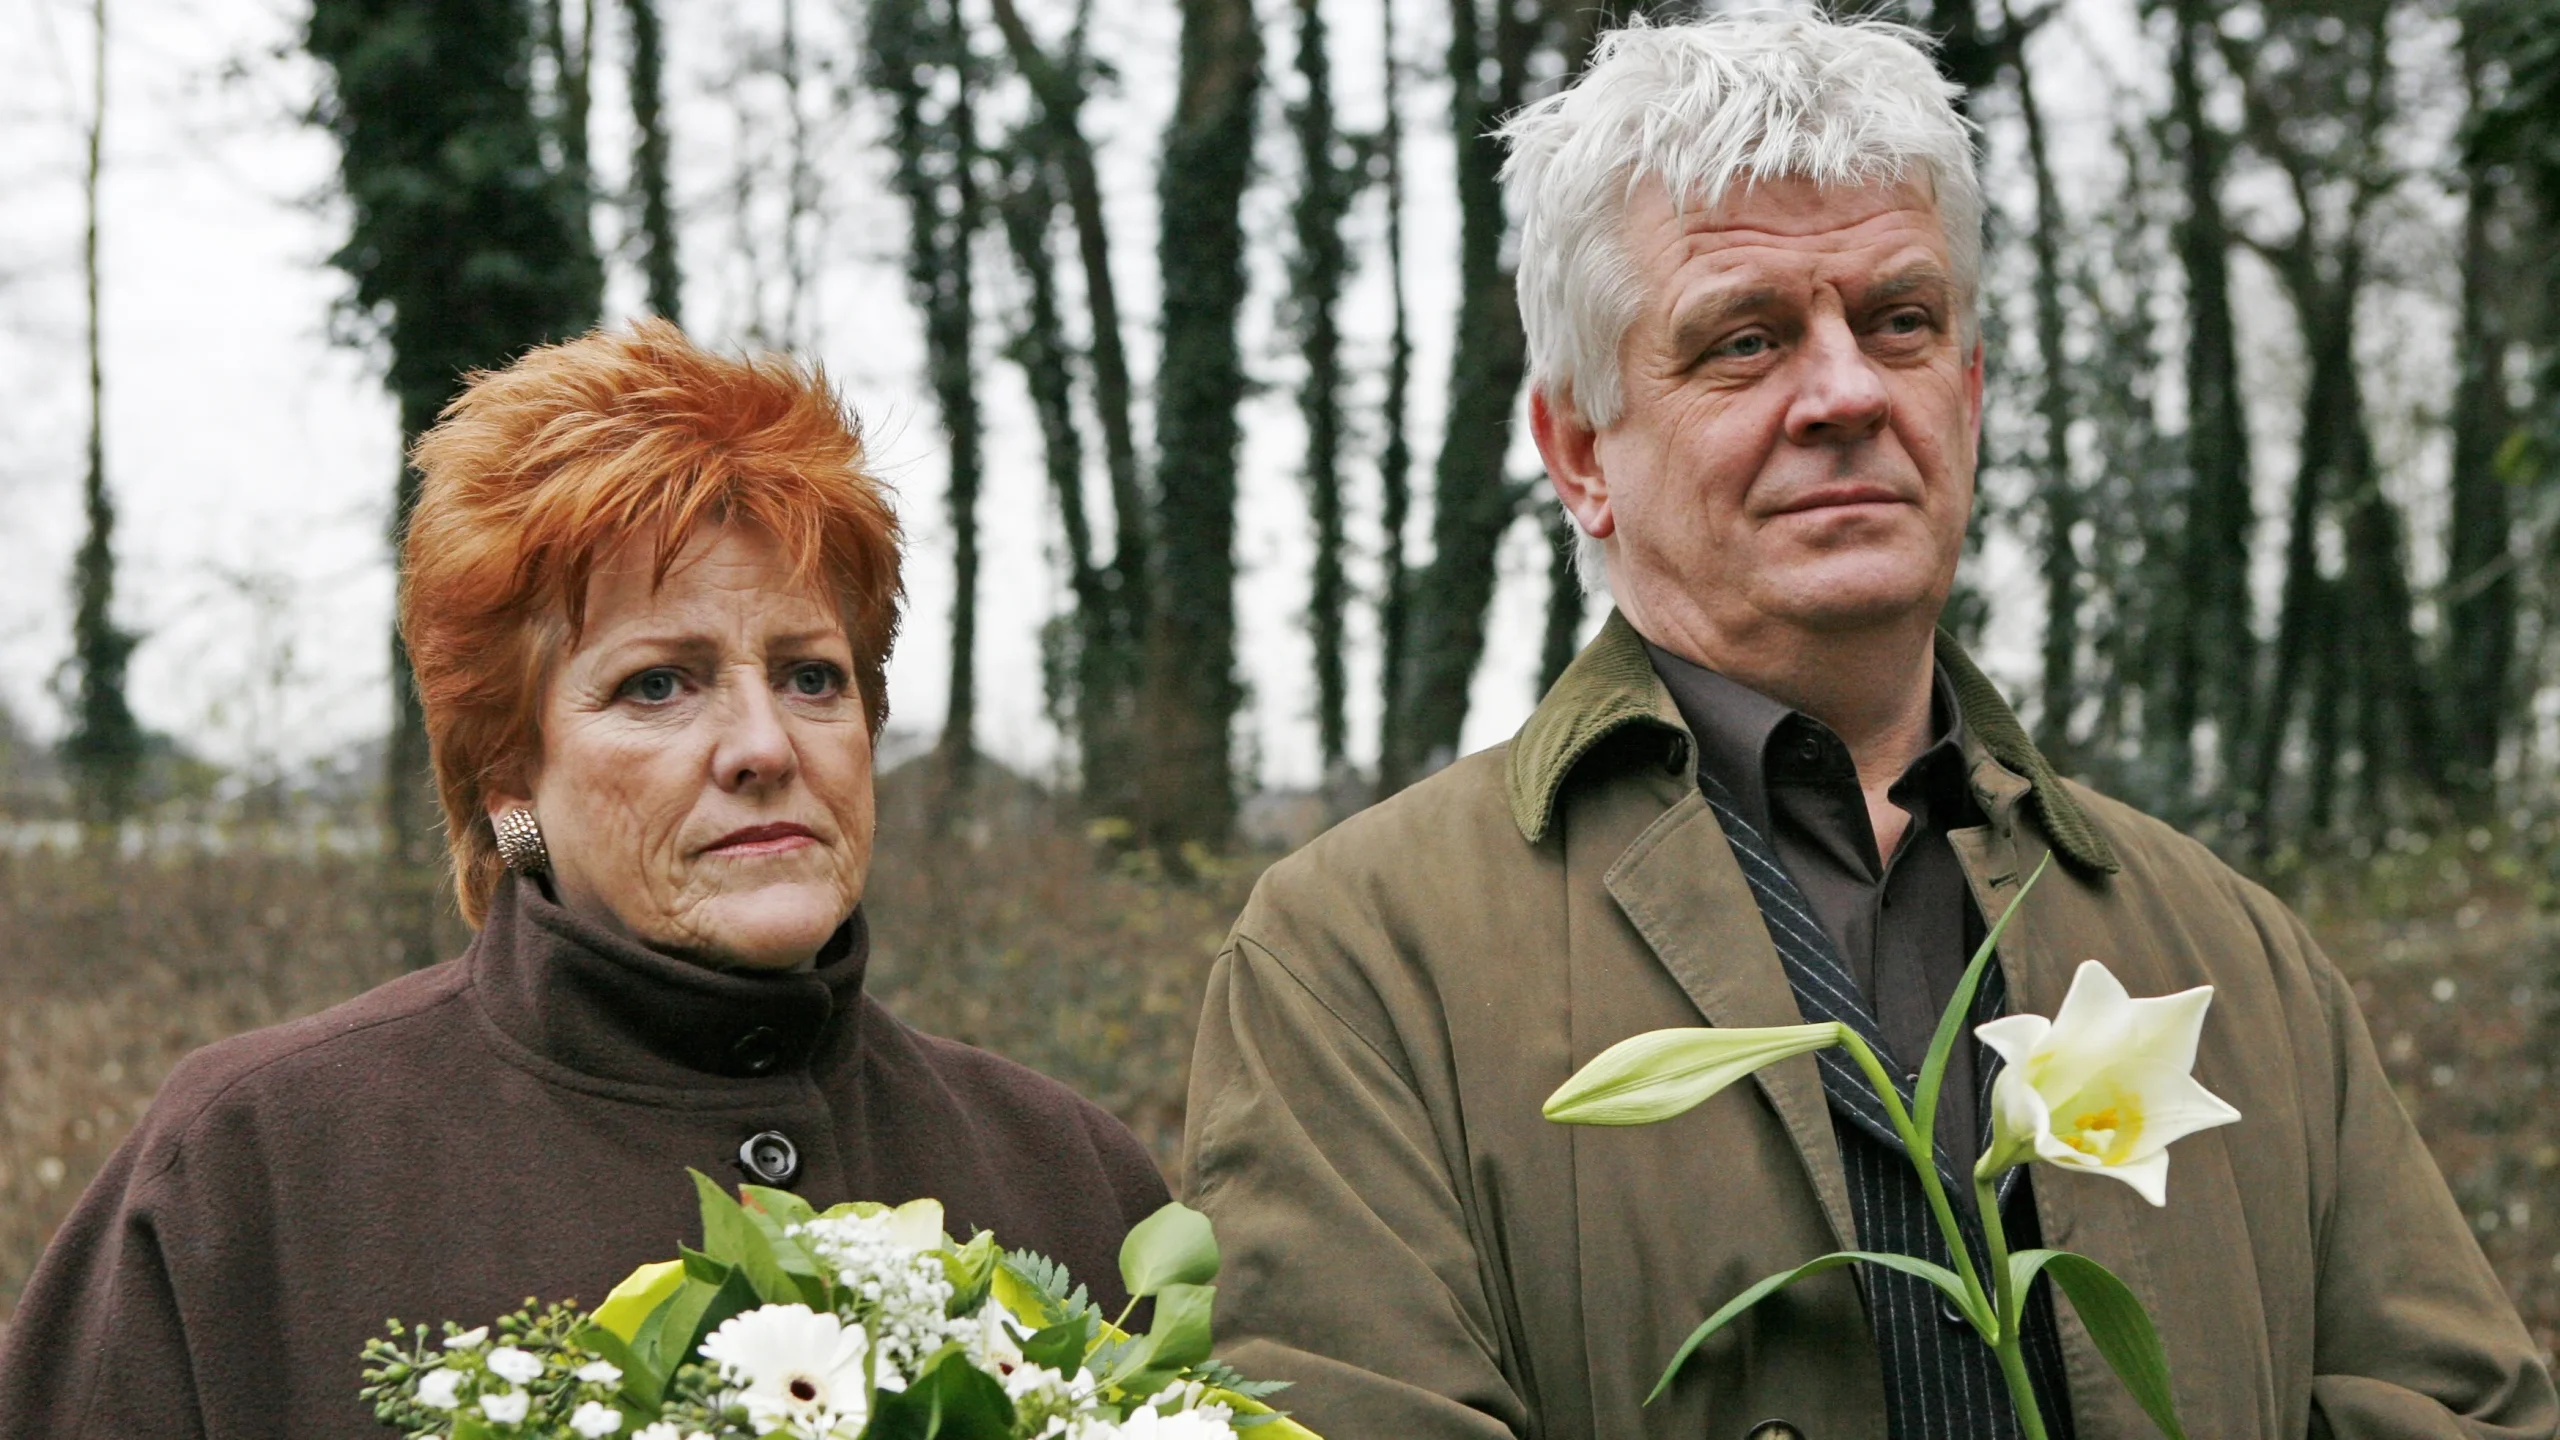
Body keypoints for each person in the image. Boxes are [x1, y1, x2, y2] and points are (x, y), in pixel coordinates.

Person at [1181, 16, 2554, 1440]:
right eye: (1745, 338)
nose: (1843, 392)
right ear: (1582, 451)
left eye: (1900, 321)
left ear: (1965, 393)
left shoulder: (2232, 954)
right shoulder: (1360, 959)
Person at [0, 322, 1170, 1439]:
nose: (765, 745)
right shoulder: (259, 1168)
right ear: (510, 776)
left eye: (812, 676)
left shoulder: (1064, 1175)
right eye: (659, 684)